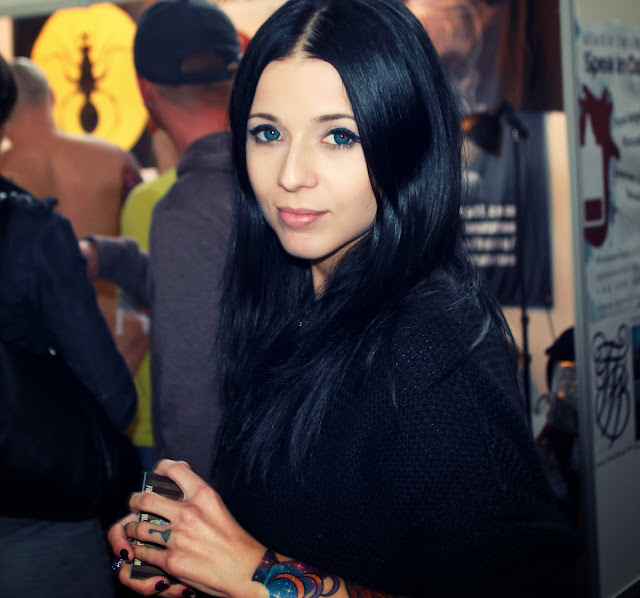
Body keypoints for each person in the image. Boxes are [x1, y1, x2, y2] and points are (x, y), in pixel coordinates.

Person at [108, 0, 578, 596]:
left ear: (406, 143)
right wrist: (197, 563)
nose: (291, 174)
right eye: (268, 133)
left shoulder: (429, 342)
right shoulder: (288, 300)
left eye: (338, 136)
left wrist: (255, 574)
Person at [0, 53, 139, 598]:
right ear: (49, 98)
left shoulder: (15, 176)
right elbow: (115, 398)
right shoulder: (110, 161)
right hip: (35, 492)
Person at [81, 0, 238, 480]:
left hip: (220, 488)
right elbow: (225, 291)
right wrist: (111, 258)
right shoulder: (273, 172)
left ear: (144, 88)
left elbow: (190, 403)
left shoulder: (187, 208)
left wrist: (167, 511)